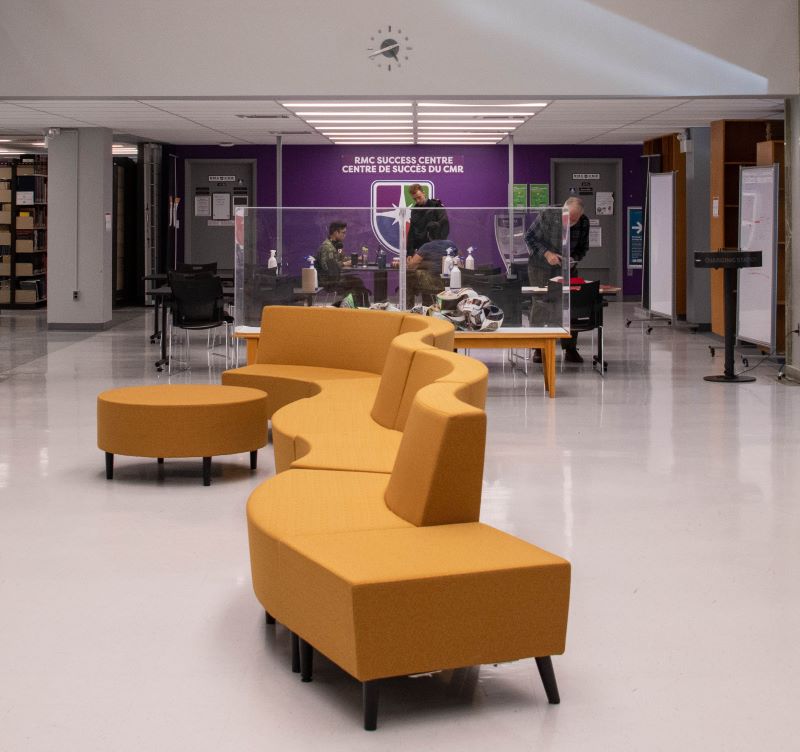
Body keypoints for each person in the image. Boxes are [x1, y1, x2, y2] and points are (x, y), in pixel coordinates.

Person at [525, 196, 590, 363]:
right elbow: (529, 238)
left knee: (569, 305)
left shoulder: (583, 222)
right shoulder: (548, 214)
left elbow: (583, 248)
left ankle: (570, 348)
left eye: (574, 220)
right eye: (568, 218)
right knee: (540, 304)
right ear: (563, 210)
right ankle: (538, 348)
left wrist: (573, 258)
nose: (570, 222)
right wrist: (547, 254)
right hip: (540, 266)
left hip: (567, 268)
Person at [315, 221, 369, 306]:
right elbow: (328, 268)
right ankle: (357, 308)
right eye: (343, 233)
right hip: (329, 281)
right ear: (336, 232)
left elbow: (341, 259)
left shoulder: (337, 245)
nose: (345, 235)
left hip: (335, 277)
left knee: (358, 283)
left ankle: (362, 308)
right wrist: (345, 264)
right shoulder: (327, 247)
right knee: (357, 283)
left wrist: (356, 259)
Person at [406, 221, 455, 306]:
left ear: (428, 234)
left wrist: (414, 261)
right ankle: (427, 303)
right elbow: (459, 260)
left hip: (433, 283)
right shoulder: (451, 244)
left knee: (410, 274)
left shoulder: (427, 246)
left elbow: (412, 265)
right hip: (450, 282)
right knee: (425, 274)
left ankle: (409, 307)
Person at [406, 183, 450, 256]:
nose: (417, 201)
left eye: (419, 197)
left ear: (423, 193)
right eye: (414, 199)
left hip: (436, 249)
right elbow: (412, 233)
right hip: (420, 250)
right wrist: (410, 253)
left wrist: (435, 225)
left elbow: (444, 224)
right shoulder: (414, 211)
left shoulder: (436, 205)